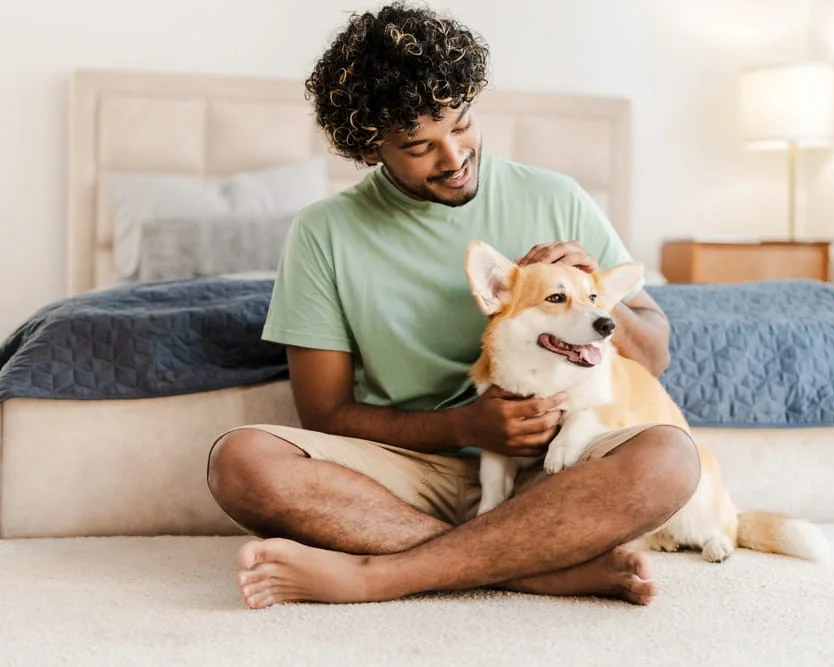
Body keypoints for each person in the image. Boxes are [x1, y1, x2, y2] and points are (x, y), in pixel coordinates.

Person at [206, 1, 700, 609]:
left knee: (670, 459)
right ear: (371, 148)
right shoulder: (322, 233)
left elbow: (654, 354)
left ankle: (375, 576)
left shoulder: (557, 197)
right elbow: (324, 413)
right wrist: (465, 425)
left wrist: (593, 291)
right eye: (419, 146)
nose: (454, 156)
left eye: (461, 122)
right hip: (408, 470)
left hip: (553, 468)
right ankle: (535, 568)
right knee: (242, 462)